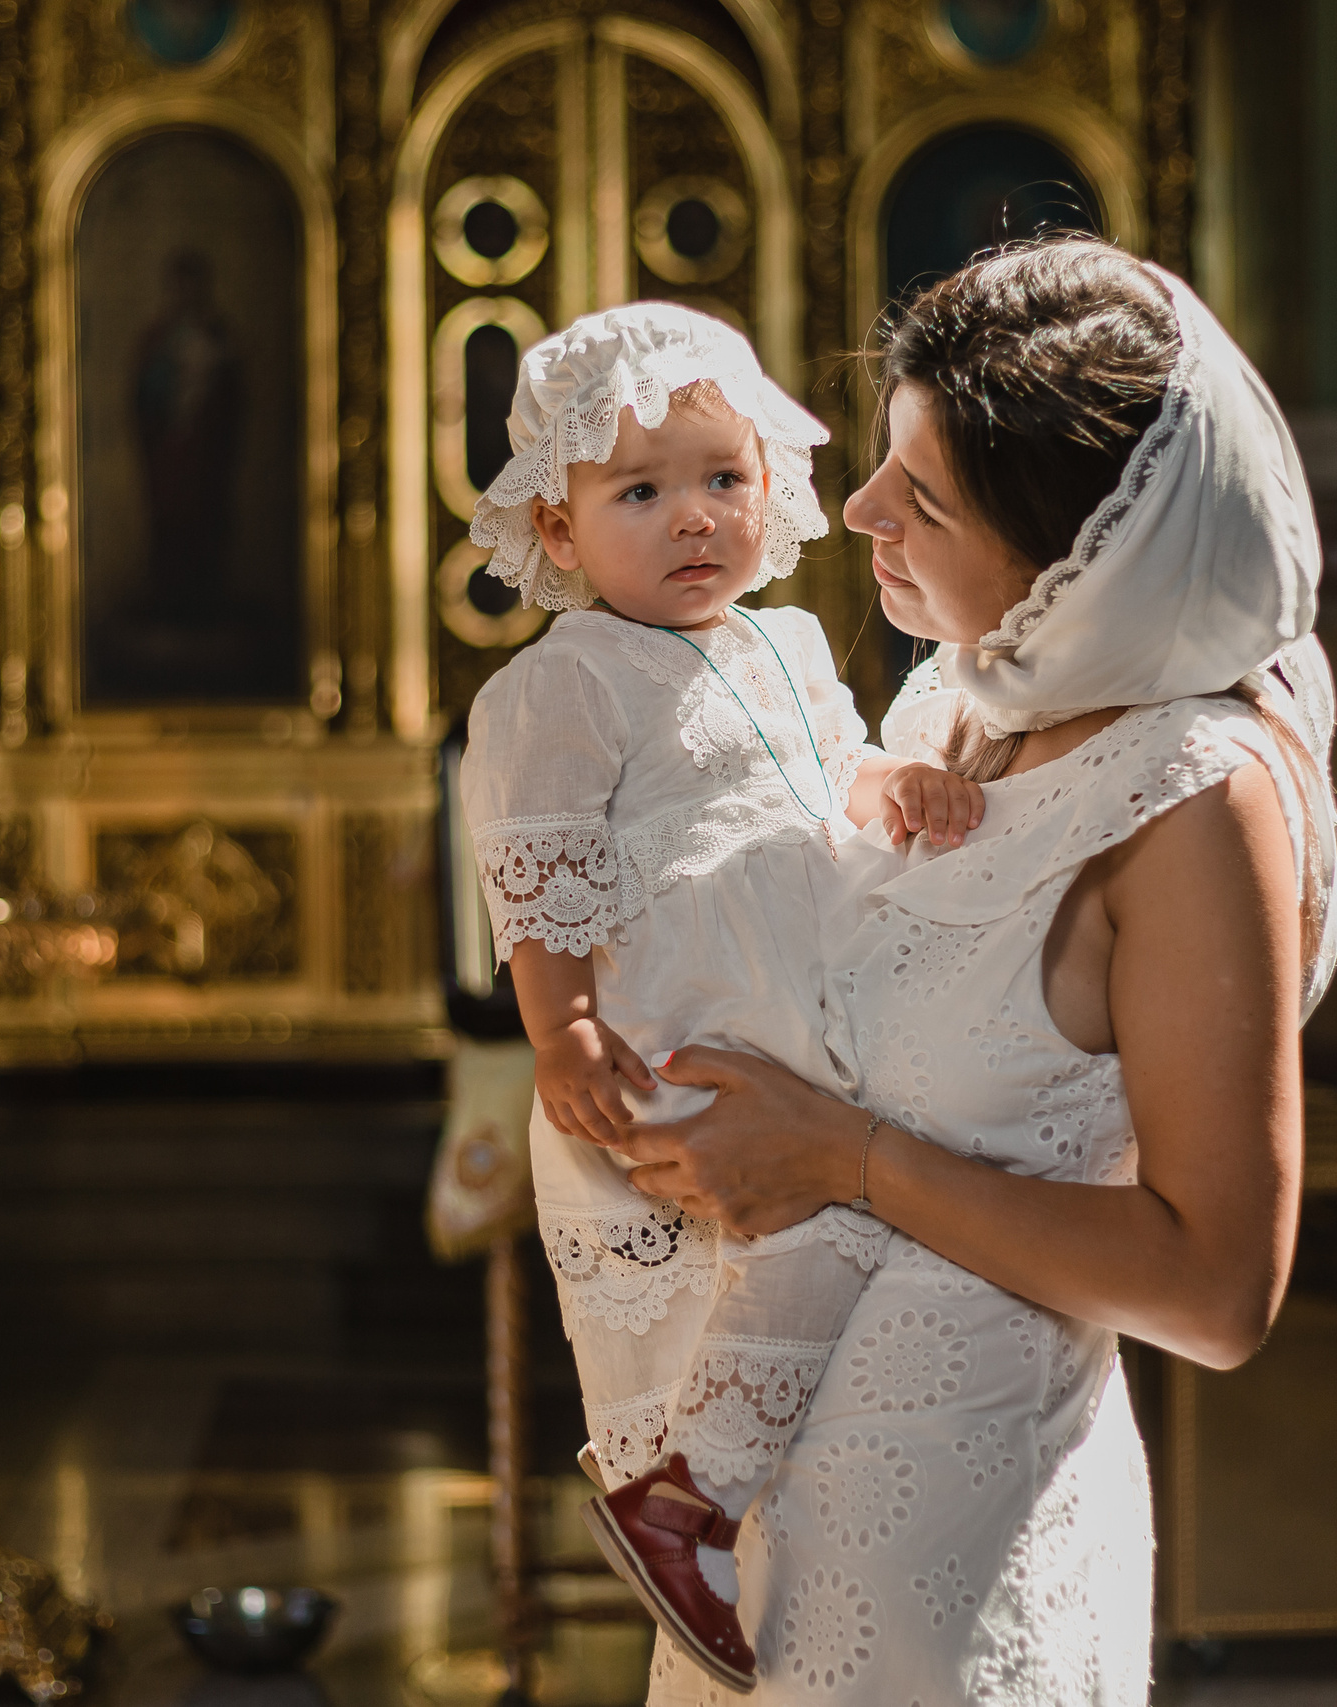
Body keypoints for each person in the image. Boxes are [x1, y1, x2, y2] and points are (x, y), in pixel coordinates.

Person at [609, 238, 1337, 1702]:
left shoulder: (1191, 793)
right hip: (766, 1540)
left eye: (925, 498)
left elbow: (1218, 1288)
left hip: (961, 1567)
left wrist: (844, 1157)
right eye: (887, 460)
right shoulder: (964, 699)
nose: (864, 509)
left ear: (1085, 560)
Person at [457, 303, 983, 1691]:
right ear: (560, 533)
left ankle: (697, 1500)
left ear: (774, 489)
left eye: (723, 480)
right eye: (640, 492)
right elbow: (538, 862)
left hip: (805, 1021)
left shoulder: (792, 643)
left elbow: (832, 777)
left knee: (841, 1241)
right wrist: (561, 1025)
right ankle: (693, 1497)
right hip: (672, 1037)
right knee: (758, 1259)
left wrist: (896, 787)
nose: (693, 519)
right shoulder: (564, 685)